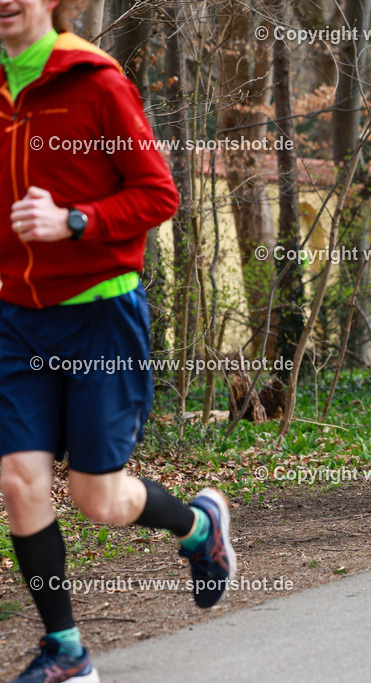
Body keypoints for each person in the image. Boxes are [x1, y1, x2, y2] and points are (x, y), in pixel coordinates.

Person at [0, 1, 235, 680]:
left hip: (99, 313)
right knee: (19, 482)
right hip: (16, 316)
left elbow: (158, 194)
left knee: (98, 497)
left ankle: (198, 526)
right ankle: (67, 652)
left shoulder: (94, 81)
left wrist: (74, 220)